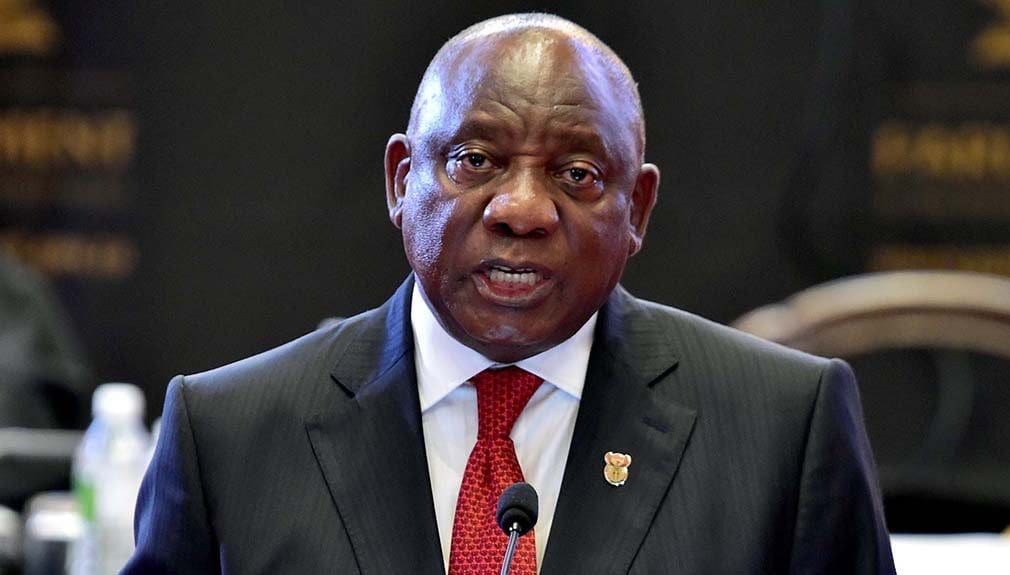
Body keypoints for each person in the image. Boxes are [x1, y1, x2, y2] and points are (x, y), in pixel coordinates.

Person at [124, 13, 895, 575]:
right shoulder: (228, 434)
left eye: (577, 174)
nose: (522, 210)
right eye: (474, 160)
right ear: (401, 182)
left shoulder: (782, 429)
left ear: (637, 209)